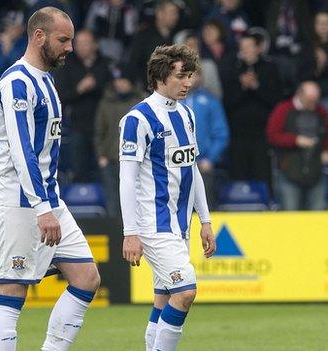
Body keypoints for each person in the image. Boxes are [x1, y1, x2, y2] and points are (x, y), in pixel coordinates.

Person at [0, 7, 100, 351]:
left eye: (71, 40)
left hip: (47, 201)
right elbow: (21, 152)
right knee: (12, 293)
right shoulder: (17, 83)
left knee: (86, 277)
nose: (70, 48)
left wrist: (49, 205)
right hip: (16, 202)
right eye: (63, 40)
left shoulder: (46, 80)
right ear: (39, 36)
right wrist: (42, 208)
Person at [119, 44, 216, 351]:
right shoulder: (138, 119)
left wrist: (206, 220)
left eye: (190, 75)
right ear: (161, 76)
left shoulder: (187, 114)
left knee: (163, 298)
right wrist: (130, 232)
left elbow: (194, 171)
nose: (188, 82)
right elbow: (127, 178)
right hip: (153, 225)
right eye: (181, 76)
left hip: (180, 225)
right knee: (185, 292)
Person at [221, 32, 282, 186]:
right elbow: (227, 102)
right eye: (243, 47)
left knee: (262, 175)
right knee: (238, 175)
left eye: (249, 47)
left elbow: (275, 100)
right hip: (237, 133)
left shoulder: (270, 68)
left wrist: (256, 87)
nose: (245, 50)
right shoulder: (231, 69)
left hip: (262, 133)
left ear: (258, 48)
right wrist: (242, 87)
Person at [266, 81, 328, 210]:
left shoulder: (321, 112)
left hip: (315, 171)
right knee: (291, 216)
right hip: (289, 172)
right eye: (310, 100)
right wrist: (295, 140)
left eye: (315, 100)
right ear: (299, 95)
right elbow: (272, 135)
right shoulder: (283, 109)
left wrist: (327, 151)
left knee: (318, 216)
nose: (313, 104)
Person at [54, 29, 110, 182]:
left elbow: (112, 93)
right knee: (79, 169)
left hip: (103, 127)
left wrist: (96, 86)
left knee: (105, 172)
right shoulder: (66, 65)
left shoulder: (105, 64)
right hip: (78, 124)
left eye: (85, 43)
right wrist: (80, 89)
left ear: (95, 45)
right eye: (77, 43)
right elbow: (60, 96)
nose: (81, 47)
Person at [94, 69, 145, 217]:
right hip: (111, 160)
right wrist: (100, 156)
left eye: (122, 80)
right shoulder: (106, 102)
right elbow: (99, 131)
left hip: (136, 161)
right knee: (113, 200)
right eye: (116, 81)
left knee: (136, 200)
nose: (119, 84)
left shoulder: (141, 102)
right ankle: (114, 235)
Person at [181, 67, 229, 210]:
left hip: (203, 166)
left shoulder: (210, 101)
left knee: (205, 210)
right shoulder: (173, 101)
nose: (190, 79)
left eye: (193, 75)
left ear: (200, 77)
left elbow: (221, 133)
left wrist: (210, 159)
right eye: (185, 75)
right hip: (177, 166)